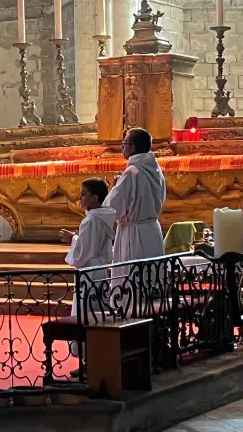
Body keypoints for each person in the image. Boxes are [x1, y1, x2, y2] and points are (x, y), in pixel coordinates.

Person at [103, 127, 166, 291]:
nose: (122, 148)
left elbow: (111, 208)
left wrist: (114, 187)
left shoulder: (132, 173)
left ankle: (132, 314)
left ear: (132, 147)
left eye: (124, 144)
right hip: (152, 230)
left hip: (133, 233)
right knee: (151, 278)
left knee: (132, 283)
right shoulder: (156, 170)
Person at [60, 178, 116, 354]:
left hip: (89, 272)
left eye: (84, 194)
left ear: (95, 198)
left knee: (86, 313)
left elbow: (83, 254)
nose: (80, 197)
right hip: (100, 271)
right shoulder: (104, 217)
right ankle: (100, 354)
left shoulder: (90, 220)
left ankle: (87, 357)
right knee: (99, 310)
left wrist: (73, 239)